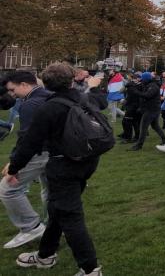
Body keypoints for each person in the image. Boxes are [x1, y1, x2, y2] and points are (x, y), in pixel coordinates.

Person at [6, 63, 106, 276]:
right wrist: (94, 87)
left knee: (70, 216)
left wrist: (14, 168)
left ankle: (90, 269)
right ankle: (45, 255)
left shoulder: (49, 107)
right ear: (72, 80)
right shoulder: (82, 97)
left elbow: (30, 143)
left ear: (46, 83)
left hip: (64, 166)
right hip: (88, 161)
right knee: (57, 210)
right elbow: (102, 103)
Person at [1, 71, 50, 249]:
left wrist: (14, 163)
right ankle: (51, 231)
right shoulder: (50, 96)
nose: (12, 95)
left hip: (39, 153)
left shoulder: (30, 104)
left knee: (7, 189)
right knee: (49, 191)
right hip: (56, 152)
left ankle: (31, 227)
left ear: (24, 85)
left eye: (13, 90)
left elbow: (28, 138)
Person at [128, 72, 165, 151]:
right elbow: (142, 92)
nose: (142, 80)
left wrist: (135, 91)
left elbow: (147, 95)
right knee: (155, 126)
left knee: (143, 127)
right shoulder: (148, 85)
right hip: (151, 109)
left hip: (152, 110)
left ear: (146, 79)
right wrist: (133, 87)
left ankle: (139, 145)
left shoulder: (153, 86)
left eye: (143, 79)